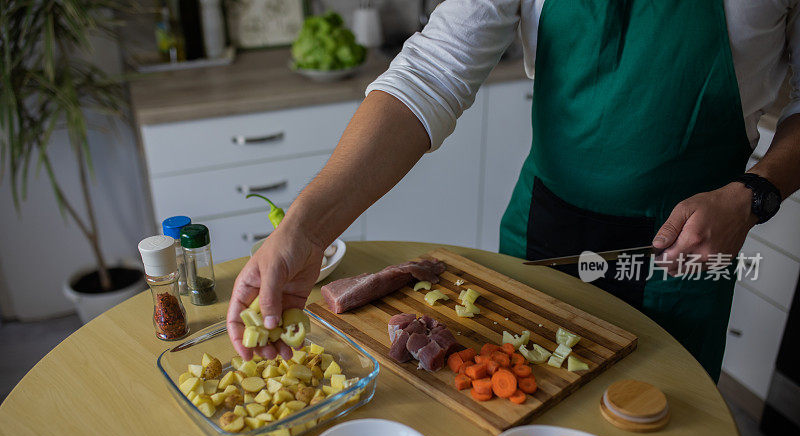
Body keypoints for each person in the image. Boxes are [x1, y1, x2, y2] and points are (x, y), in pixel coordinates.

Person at [228, 0, 800, 381]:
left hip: (693, 249)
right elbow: (432, 69)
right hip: (545, 225)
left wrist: (755, 193)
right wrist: (303, 227)